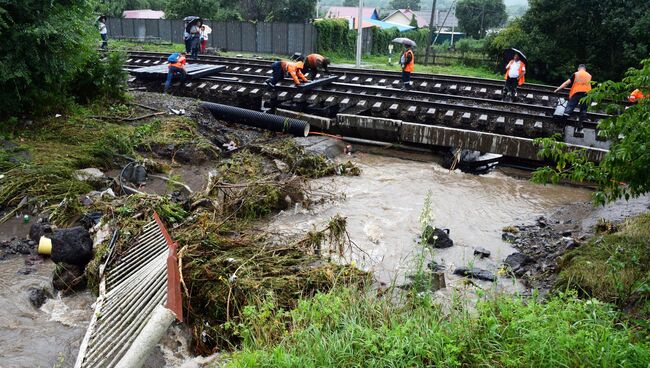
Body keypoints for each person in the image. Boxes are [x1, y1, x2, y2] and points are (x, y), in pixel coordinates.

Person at [554, 64, 592, 134]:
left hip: (576, 93)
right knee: (583, 111)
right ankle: (580, 125)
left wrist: (557, 90)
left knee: (568, 110)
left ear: (578, 68)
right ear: (585, 69)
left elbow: (566, 84)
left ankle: (561, 126)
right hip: (587, 94)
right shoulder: (589, 75)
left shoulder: (576, 74)